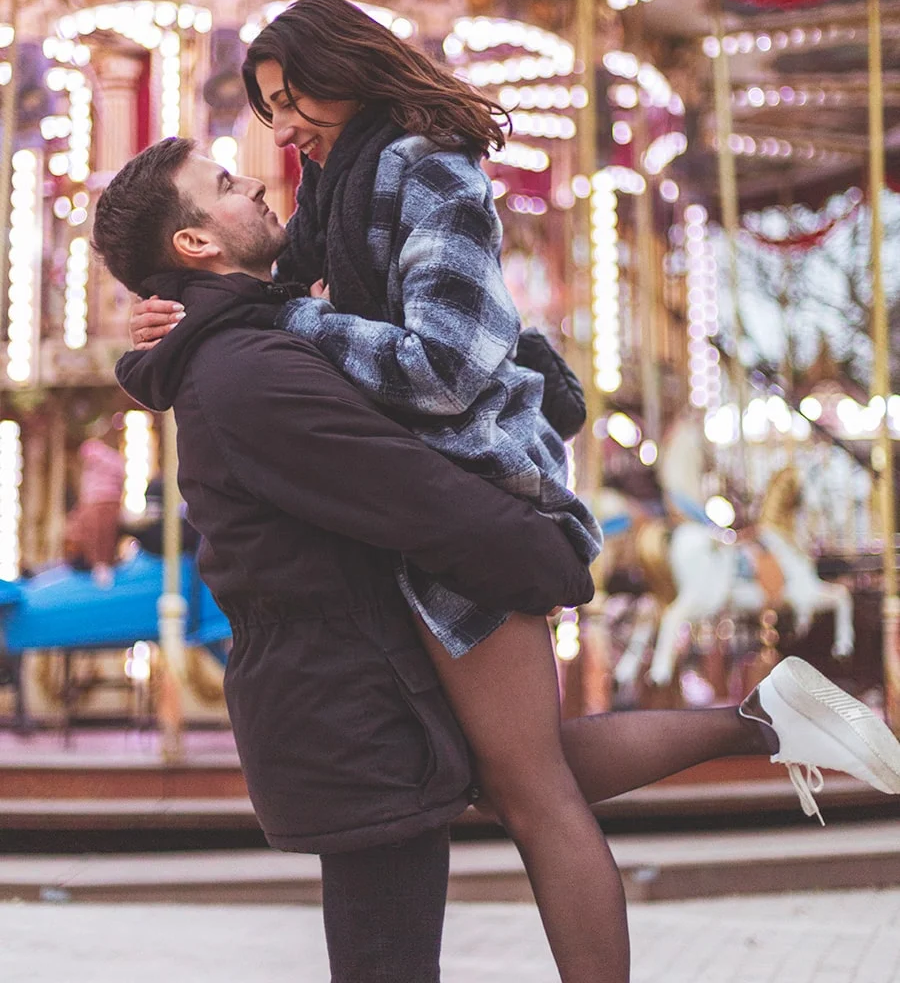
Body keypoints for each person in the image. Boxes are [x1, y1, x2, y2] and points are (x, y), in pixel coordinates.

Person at [117, 135, 900, 983]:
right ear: (193, 244)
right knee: (522, 787)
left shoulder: (267, 327)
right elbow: (402, 480)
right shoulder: (251, 355)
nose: (267, 174)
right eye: (228, 184)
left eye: (291, 120)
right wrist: (541, 554)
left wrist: (194, 323)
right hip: (350, 666)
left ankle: (768, 722)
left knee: (524, 791)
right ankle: (766, 721)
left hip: (362, 659)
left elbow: (405, 456)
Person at [65, 424, 125, 587]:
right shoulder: (113, 459)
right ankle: (102, 564)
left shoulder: (95, 456)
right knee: (101, 533)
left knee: (98, 532)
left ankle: (100, 565)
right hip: (105, 498)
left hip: (98, 498)